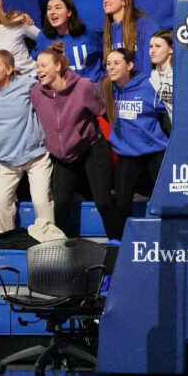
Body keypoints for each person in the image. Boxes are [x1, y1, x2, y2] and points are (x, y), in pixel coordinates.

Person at [30, 43, 121, 239]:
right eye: (37, 66)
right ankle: (69, 254)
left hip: (91, 149)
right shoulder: (36, 92)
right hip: (62, 156)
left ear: (58, 67)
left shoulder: (83, 87)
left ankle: (118, 246)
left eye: (44, 65)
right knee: (60, 207)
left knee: (103, 202)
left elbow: (103, 113)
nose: (39, 70)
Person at [0, 50, 54, 234]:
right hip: (5, 161)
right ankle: (8, 241)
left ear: (9, 69)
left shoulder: (27, 84)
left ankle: (50, 241)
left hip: (37, 156)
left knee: (41, 201)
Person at [101, 47, 168, 226]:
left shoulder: (148, 86)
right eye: (108, 64)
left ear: (129, 65)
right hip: (127, 154)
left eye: (116, 63)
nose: (111, 67)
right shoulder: (106, 88)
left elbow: (170, 109)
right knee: (122, 206)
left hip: (154, 152)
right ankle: (124, 246)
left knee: (165, 201)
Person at [33, 0, 103, 83]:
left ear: (69, 12)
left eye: (58, 8)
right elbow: (38, 68)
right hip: (59, 94)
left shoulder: (90, 33)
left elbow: (107, 58)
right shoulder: (43, 38)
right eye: (49, 9)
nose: (52, 12)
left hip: (91, 91)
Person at [103, 0, 158, 76]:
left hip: (141, 85)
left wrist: (146, 86)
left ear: (124, 1)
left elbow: (150, 61)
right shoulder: (109, 32)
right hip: (118, 87)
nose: (105, 1)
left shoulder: (144, 24)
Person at [148, 29, 173, 122]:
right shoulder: (153, 76)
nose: (152, 51)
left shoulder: (180, 74)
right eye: (151, 46)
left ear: (171, 49)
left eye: (158, 46)